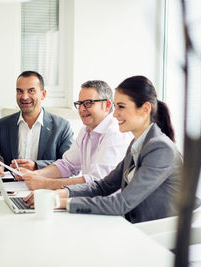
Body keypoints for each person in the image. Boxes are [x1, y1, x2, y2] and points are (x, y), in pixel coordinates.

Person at [25, 75, 182, 223]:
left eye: (121, 107)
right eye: (115, 107)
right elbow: (103, 186)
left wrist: (60, 201)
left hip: (148, 234)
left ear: (145, 109)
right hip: (128, 224)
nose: (115, 115)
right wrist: (63, 192)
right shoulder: (138, 144)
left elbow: (121, 203)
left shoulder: (160, 149)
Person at [18, 80, 133, 190]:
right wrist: (34, 175)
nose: (82, 109)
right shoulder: (85, 131)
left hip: (108, 206)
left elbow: (97, 181)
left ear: (107, 105)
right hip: (90, 199)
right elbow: (67, 165)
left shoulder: (116, 133)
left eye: (88, 103)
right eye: (80, 104)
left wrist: (47, 184)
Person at [0, 71, 73, 170]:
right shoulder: (2, 125)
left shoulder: (62, 127)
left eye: (31, 91)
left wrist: (36, 166)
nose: (24, 97)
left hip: (44, 185)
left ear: (43, 94)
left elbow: (70, 165)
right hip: (9, 184)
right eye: (20, 91)